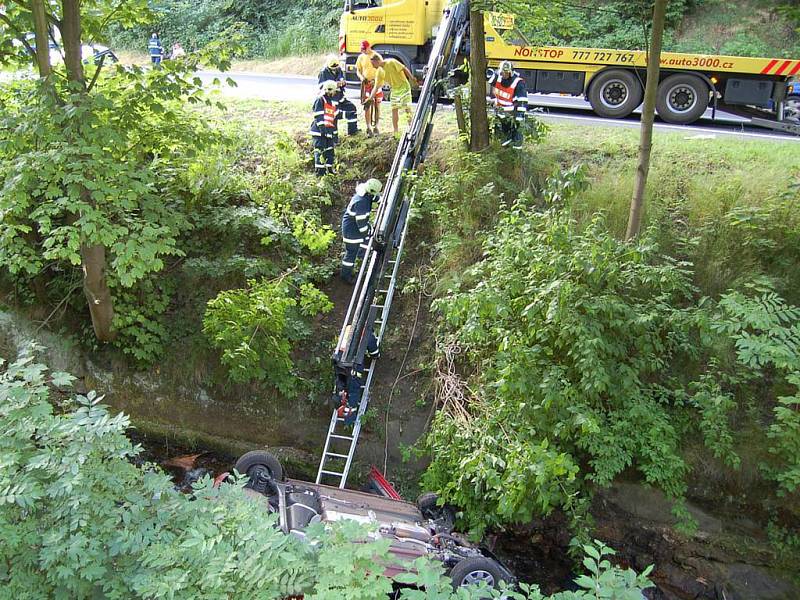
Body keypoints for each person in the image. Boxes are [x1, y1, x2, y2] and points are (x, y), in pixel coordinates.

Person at [340, 178, 383, 283]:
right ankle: (346, 276)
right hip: (352, 232)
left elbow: (372, 197)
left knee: (362, 246)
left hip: (352, 228)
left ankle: (362, 260)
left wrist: (380, 200)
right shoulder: (361, 203)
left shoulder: (364, 193)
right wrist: (370, 231)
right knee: (351, 254)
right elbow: (362, 227)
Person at [367, 55, 418, 134]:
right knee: (394, 109)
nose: (373, 66)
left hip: (404, 86)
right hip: (394, 89)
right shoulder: (379, 72)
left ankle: (411, 128)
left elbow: (404, 68)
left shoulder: (391, 62)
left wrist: (412, 79)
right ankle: (396, 131)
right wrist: (370, 98)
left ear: (377, 61)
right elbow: (376, 87)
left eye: (373, 64)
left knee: (407, 108)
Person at [488, 60, 528, 149]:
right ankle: (504, 151)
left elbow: (522, 101)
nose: (504, 75)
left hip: (512, 115)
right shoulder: (498, 78)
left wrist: (519, 116)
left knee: (516, 138)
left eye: (507, 73)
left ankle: (516, 155)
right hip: (500, 114)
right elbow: (488, 74)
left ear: (511, 72)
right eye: (502, 73)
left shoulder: (518, 83)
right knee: (502, 138)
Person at [318, 55, 359, 136]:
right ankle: (334, 137)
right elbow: (321, 87)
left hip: (340, 97)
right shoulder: (323, 72)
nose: (335, 69)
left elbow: (341, 79)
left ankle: (353, 131)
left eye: (336, 67)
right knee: (334, 116)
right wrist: (334, 85)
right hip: (331, 100)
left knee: (351, 108)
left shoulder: (339, 69)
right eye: (333, 67)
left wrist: (343, 83)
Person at [310, 80, 340, 177]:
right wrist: (322, 129)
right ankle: (320, 172)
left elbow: (334, 120)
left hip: (329, 132)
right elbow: (318, 116)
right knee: (320, 151)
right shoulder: (320, 100)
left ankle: (329, 170)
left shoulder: (333, 103)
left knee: (329, 151)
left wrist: (335, 134)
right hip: (319, 132)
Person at [356, 40, 383, 135]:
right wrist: (361, 77)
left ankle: (376, 126)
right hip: (366, 83)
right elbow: (358, 70)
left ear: (369, 47)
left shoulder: (376, 56)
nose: (362, 50)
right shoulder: (361, 57)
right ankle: (368, 127)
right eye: (361, 49)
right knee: (367, 105)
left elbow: (381, 69)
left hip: (376, 83)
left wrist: (376, 81)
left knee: (377, 105)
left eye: (364, 48)